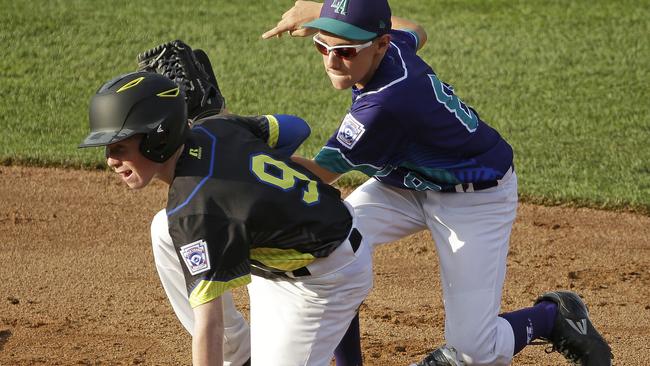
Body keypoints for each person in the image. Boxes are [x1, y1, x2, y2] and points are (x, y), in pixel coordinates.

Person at [262, 1, 613, 365]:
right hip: (403, 186)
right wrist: (332, 11)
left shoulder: (384, 105)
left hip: (476, 199)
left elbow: (317, 174)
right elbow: (416, 29)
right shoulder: (393, 47)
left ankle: (553, 316)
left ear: (380, 45)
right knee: (329, 242)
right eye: (322, 46)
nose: (332, 61)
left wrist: (239, 146)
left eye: (346, 51)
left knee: (476, 353)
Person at [79, 71, 373, 366]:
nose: (110, 160)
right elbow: (295, 128)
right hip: (293, 248)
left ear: (157, 136)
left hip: (326, 279)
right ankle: (238, 353)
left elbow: (209, 324)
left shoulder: (194, 210)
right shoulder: (217, 125)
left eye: (119, 146)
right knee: (163, 229)